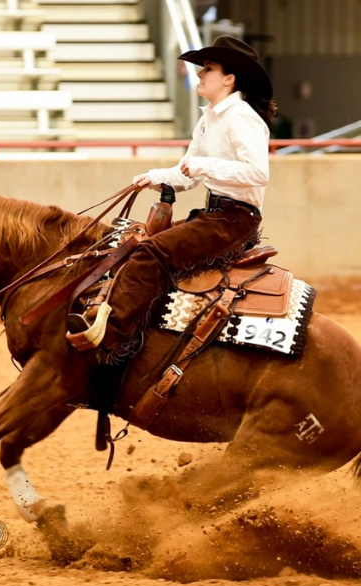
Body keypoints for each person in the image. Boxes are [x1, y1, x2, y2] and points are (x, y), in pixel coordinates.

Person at [68, 36, 276, 364]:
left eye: (208, 68)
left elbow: (257, 172)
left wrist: (203, 165)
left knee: (151, 252)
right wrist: (155, 176)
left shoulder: (241, 116)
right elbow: (187, 173)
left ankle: (111, 338)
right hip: (217, 215)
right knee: (134, 244)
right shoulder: (210, 118)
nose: (199, 74)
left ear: (229, 78)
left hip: (235, 219)